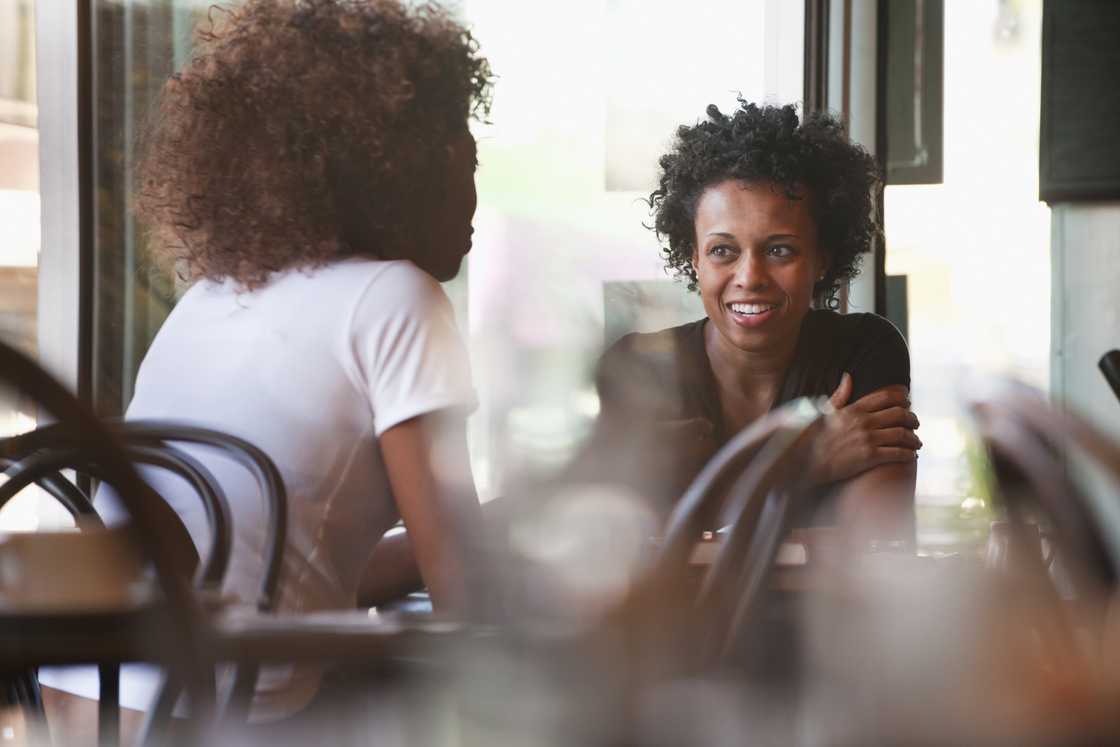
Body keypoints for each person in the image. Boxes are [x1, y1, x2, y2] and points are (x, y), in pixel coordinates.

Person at [39, 0, 493, 736]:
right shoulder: (399, 298)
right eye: (467, 164)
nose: (475, 201)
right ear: (404, 166)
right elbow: (469, 600)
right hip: (229, 713)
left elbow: (276, 572)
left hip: (85, 698)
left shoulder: (214, 297)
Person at [594, 100, 920, 540]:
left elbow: (875, 542)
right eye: (722, 251)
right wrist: (801, 461)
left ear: (822, 257)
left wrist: (713, 489)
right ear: (693, 257)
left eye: (779, 250)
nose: (750, 278)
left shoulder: (863, 349)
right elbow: (622, 544)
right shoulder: (641, 364)